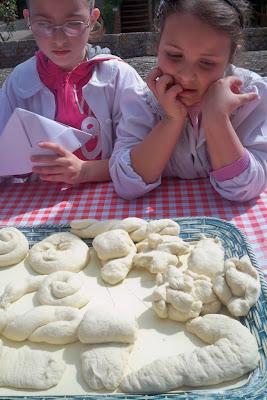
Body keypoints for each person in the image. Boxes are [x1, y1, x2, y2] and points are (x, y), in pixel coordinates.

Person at [110, 0, 267, 201]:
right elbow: (126, 184)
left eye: (207, 63)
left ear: (230, 56)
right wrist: (171, 120)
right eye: (174, 55)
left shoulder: (252, 97)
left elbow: (244, 188)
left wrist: (217, 118)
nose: (186, 77)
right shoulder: (142, 101)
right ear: (157, 46)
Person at [0, 0, 158, 185]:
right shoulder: (18, 82)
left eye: (74, 23)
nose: (59, 39)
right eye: (43, 24)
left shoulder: (118, 77)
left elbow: (143, 157)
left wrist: (86, 171)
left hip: (110, 202)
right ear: (28, 19)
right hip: (38, 205)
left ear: (92, 19)